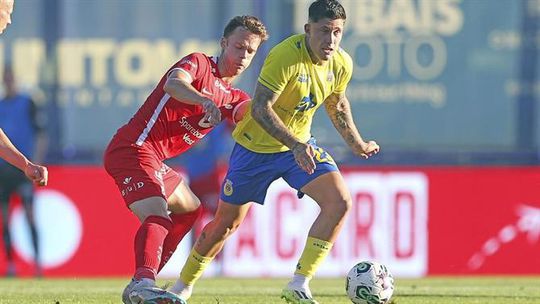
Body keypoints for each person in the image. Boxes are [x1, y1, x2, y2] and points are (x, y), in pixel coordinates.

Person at [171, 1, 380, 303]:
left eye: (337, 32)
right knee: (225, 225)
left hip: (299, 147)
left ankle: (299, 283)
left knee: (340, 202)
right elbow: (260, 107)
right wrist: (295, 145)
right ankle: (182, 287)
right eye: (323, 31)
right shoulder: (285, 56)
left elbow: (338, 103)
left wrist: (357, 143)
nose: (331, 40)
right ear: (308, 30)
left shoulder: (341, 63)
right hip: (255, 149)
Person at [103, 15, 268, 304]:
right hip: (134, 147)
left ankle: (143, 283)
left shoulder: (233, 95)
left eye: (250, 51)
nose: (243, 56)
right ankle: (144, 282)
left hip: (155, 158)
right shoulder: (199, 64)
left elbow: (249, 115)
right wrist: (203, 100)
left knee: (189, 210)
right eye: (239, 47)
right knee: (157, 213)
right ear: (224, 43)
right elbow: (173, 84)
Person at [0, 66, 48, 277]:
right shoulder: (1, 104)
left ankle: (37, 264)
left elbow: (40, 134)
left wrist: (31, 163)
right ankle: (11, 265)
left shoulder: (28, 102)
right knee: (4, 219)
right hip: (3, 170)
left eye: (11, 78)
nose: (8, 81)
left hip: (20, 169)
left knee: (30, 216)